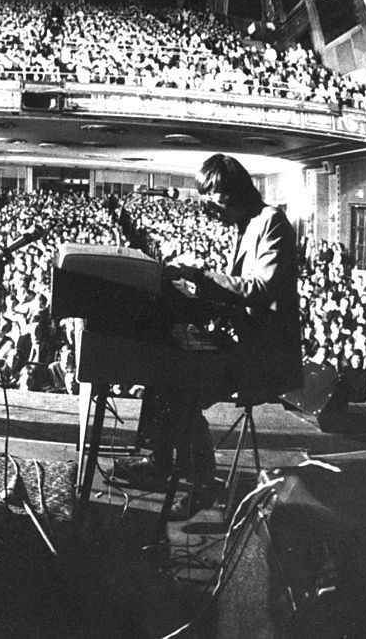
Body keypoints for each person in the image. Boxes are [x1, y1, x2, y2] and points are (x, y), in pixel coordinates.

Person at [113, 153, 302, 519]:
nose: (211, 209)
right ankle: (160, 461)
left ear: (229, 192)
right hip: (242, 341)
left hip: (260, 355)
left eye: (212, 199)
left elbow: (260, 289)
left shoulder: (272, 222)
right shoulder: (246, 224)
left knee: (182, 389)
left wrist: (203, 275)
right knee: (162, 369)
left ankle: (203, 484)